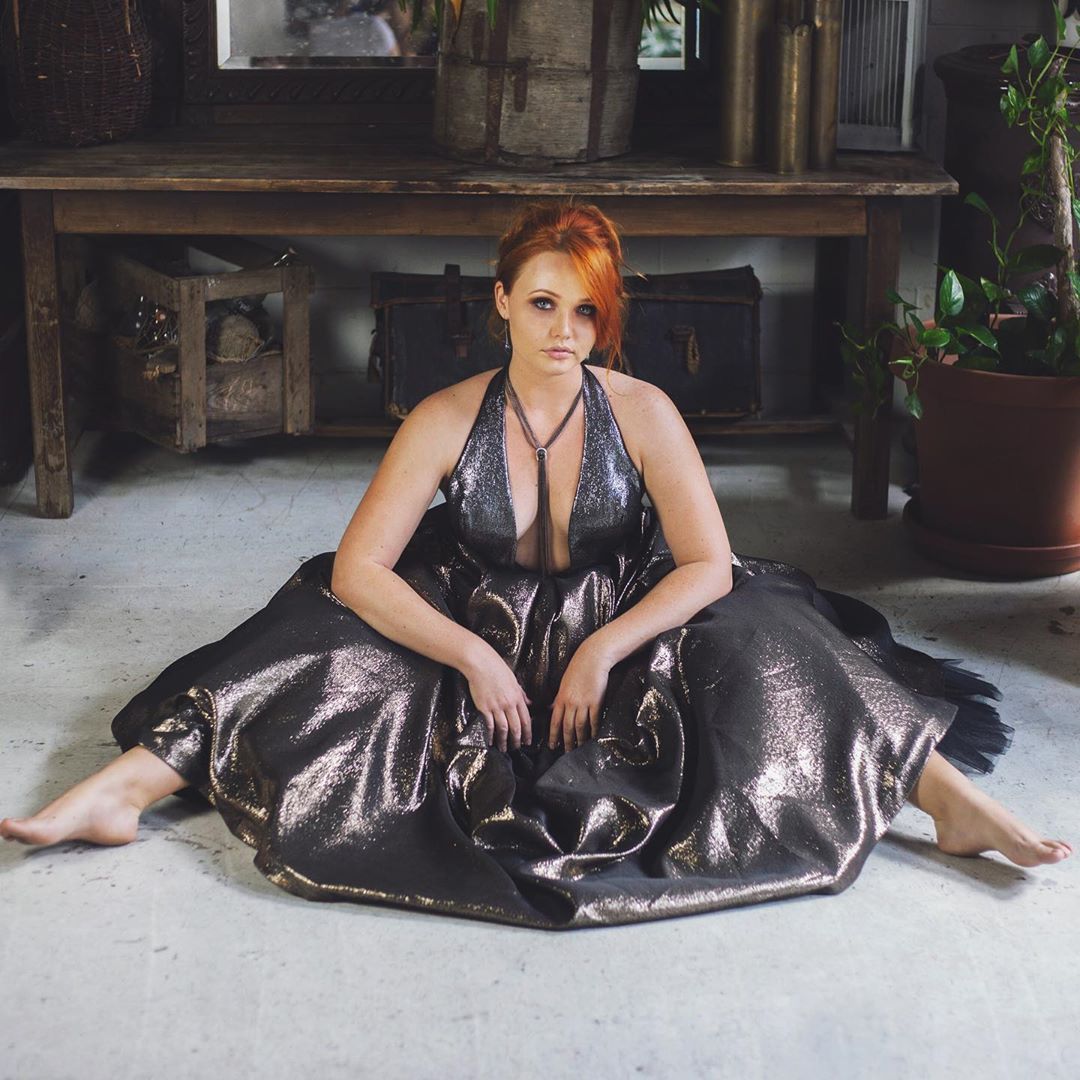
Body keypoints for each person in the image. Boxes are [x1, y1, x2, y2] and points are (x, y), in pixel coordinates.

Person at [1, 200, 1071, 930]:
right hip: (475, 613)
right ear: (503, 301)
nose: (567, 329)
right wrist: (471, 658)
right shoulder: (442, 416)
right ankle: (120, 791)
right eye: (547, 302)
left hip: (619, 606)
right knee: (316, 635)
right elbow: (362, 570)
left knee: (774, 632)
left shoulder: (643, 410)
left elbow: (706, 562)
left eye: (589, 308)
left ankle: (945, 799)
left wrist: (604, 648)